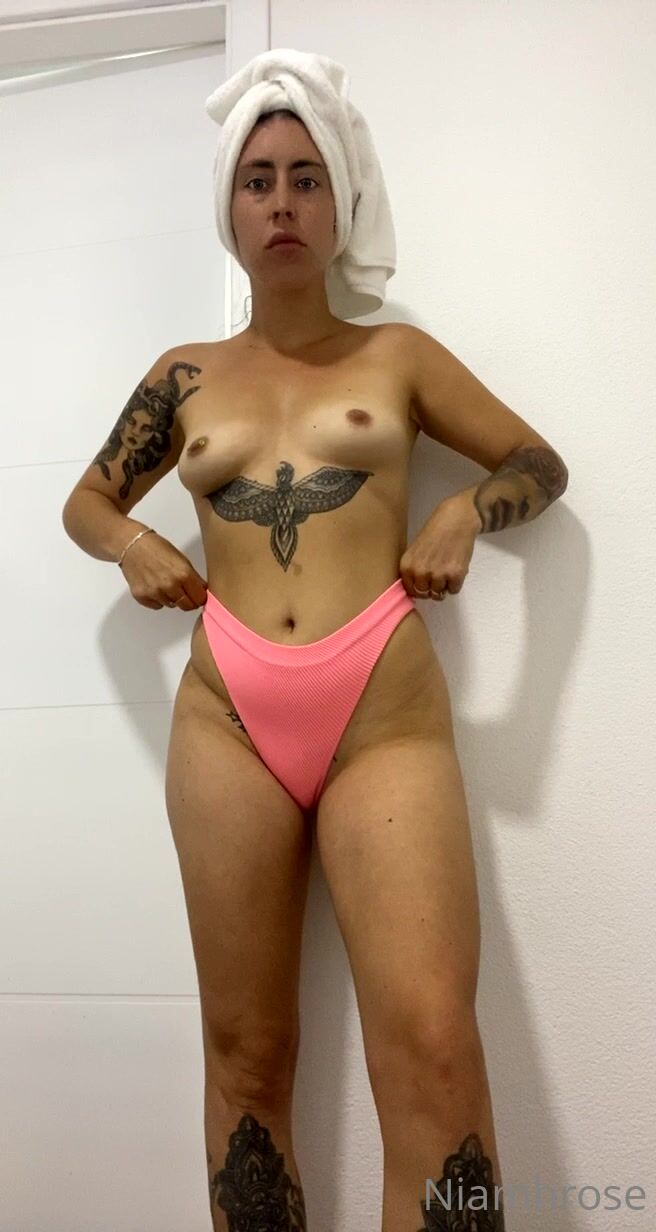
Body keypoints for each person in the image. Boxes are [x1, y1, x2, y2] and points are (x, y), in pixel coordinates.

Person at [62, 107, 568, 1232]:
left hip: (381, 707)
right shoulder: (183, 375)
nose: (282, 202)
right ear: (230, 209)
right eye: (257, 181)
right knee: (244, 1054)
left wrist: (465, 512)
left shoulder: (398, 356)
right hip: (226, 716)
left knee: (434, 1048)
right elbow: (85, 502)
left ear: (341, 205)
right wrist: (134, 543)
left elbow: (538, 461)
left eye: (305, 178)